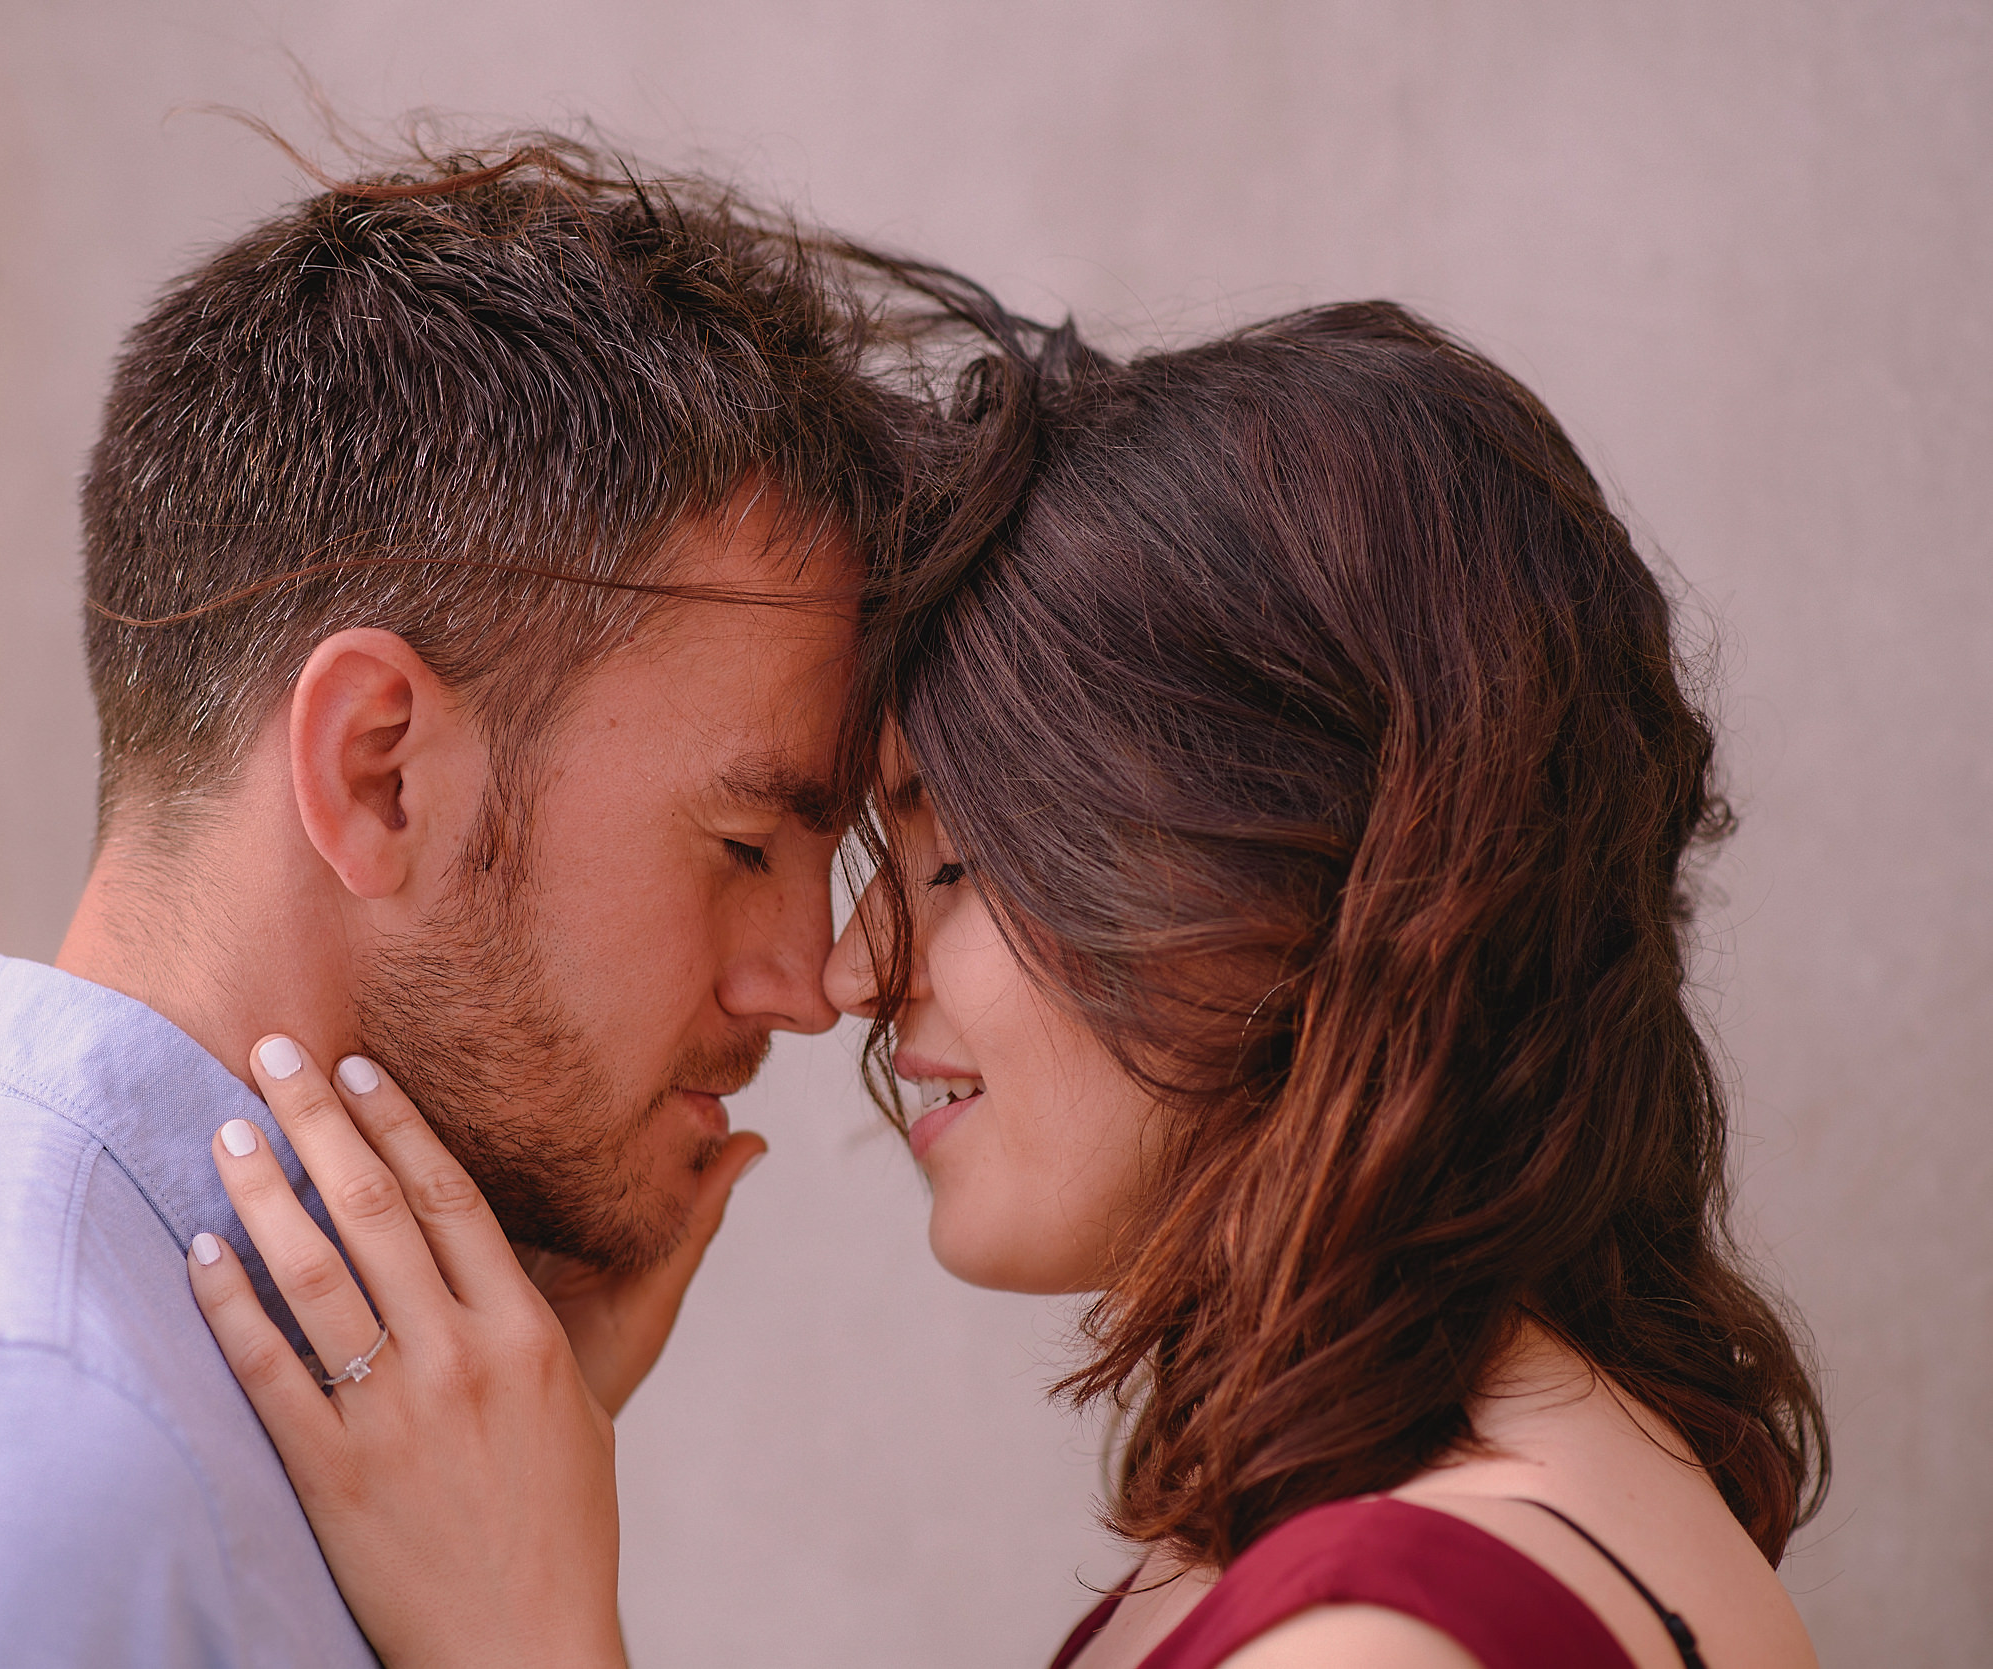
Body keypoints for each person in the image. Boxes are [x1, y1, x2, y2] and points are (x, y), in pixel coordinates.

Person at [186, 301, 1831, 1667]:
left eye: (954, 860)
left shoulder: (1381, 1638)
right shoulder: (1486, 1493)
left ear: (1298, 878)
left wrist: (522, 1633)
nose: (846, 969)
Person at [0, 140, 922, 1669]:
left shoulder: (181, 1424)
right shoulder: (3, 1480)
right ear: (380, 771)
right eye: (745, 844)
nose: (814, 982)